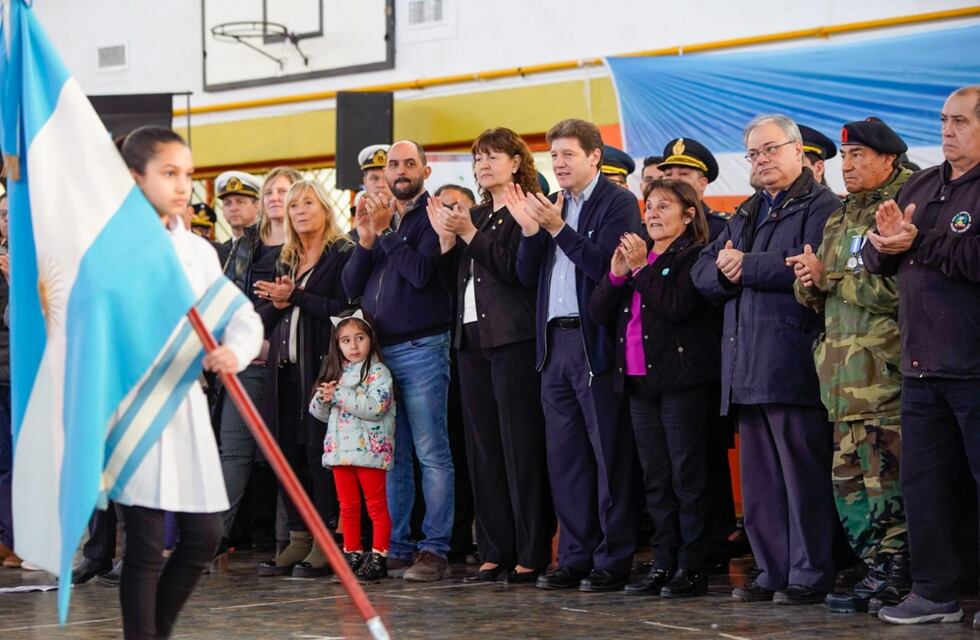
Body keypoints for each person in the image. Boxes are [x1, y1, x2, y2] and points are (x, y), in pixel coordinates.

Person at [116, 126, 262, 639]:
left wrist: (235, 350)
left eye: (188, 174)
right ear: (135, 178)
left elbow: (239, 315)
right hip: (132, 406)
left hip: (184, 403)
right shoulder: (112, 247)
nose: (182, 186)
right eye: (168, 173)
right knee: (145, 540)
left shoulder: (198, 251)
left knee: (203, 534)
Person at [691, 114, 841, 605]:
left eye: (771, 149)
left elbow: (813, 264)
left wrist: (745, 266)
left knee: (803, 479)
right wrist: (726, 273)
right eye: (754, 153)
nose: (761, 160)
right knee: (760, 485)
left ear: (798, 151)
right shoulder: (747, 211)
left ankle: (810, 573)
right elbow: (702, 268)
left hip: (793, 360)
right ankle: (772, 569)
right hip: (745, 365)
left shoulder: (823, 207)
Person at [864, 86, 980, 626]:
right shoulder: (922, 183)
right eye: (943, 120)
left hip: (973, 365)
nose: (947, 130)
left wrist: (915, 241)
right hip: (920, 365)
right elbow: (878, 255)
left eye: (960, 121)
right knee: (923, 485)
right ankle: (934, 593)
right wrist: (883, 244)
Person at [789, 117, 913, 614]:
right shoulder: (840, 216)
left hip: (882, 377)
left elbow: (899, 291)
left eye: (858, 155)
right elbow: (820, 293)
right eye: (844, 156)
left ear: (888, 158)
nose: (848, 165)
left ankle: (900, 572)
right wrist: (808, 280)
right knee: (851, 488)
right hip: (841, 380)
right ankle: (874, 567)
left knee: (889, 484)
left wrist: (830, 277)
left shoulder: (903, 206)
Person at [512, 118, 639, 592]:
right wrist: (532, 231)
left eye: (568, 154)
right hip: (553, 344)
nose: (559, 163)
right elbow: (527, 277)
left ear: (594, 157)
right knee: (565, 459)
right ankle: (573, 555)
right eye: (554, 156)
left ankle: (613, 557)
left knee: (608, 455)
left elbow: (608, 269)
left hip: (594, 342)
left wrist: (558, 228)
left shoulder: (617, 202)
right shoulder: (553, 203)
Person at [427, 127, 554, 585]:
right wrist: (447, 244)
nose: (483, 164)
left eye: (492, 156)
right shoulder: (476, 213)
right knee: (483, 450)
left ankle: (531, 550)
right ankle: (494, 548)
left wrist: (467, 233)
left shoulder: (529, 208)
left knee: (520, 445)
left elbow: (519, 272)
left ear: (516, 162)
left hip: (513, 338)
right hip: (470, 339)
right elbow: (452, 282)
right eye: (478, 157)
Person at [590, 179, 717, 598]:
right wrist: (616, 275)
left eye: (665, 206)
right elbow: (597, 313)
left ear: (689, 215)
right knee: (656, 479)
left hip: (681, 382)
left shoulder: (694, 255)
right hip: (638, 381)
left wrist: (642, 269)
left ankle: (692, 565)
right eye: (650, 206)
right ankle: (664, 562)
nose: (654, 214)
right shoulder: (637, 257)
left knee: (687, 477)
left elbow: (679, 307)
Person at [342, 140, 455, 582]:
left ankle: (435, 548)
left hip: (423, 348)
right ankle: (397, 546)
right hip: (382, 357)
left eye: (410, 163)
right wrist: (367, 241)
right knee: (392, 456)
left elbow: (422, 275)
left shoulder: (435, 214)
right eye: (393, 165)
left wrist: (387, 234)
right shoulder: (381, 220)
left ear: (426, 171)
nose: (400, 170)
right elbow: (351, 286)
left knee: (431, 452)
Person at [253, 180, 354, 577]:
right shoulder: (287, 258)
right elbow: (266, 318)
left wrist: (295, 296)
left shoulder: (341, 254)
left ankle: (327, 540)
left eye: (308, 203)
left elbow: (343, 309)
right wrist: (279, 301)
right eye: (293, 205)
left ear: (326, 209)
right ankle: (298, 537)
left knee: (317, 454)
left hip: (320, 370)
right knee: (288, 456)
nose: (299, 211)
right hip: (284, 372)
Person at [215, 167, 303, 567]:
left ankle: (288, 542)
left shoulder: (305, 244)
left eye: (283, 191)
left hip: (288, 360)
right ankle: (214, 536)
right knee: (233, 450)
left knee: (284, 454)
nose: (274, 198)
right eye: (269, 191)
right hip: (246, 359)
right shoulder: (243, 245)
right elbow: (227, 301)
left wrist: (267, 319)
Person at [310, 310, 395, 582]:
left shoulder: (379, 372)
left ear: (370, 339)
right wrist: (322, 398)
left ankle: (378, 557)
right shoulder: (337, 373)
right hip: (340, 454)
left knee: (376, 506)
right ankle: (352, 553)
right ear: (338, 345)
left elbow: (376, 408)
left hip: (370, 452)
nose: (354, 346)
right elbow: (319, 414)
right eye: (346, 341)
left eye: (360, 338)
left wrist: (338, 394)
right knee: (347, 507)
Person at [658, 137, 729, 239]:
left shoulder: (724, 227)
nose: (674, 179)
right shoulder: (651, 225)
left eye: (683, 174)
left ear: (702, 183)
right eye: (668, 174)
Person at [215, 170, 262, 247]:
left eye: (240, 202)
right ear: (222, 210)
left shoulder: (269, 246)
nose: (233, 208)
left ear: (257, 206)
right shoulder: (220, 251)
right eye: (228, 203)